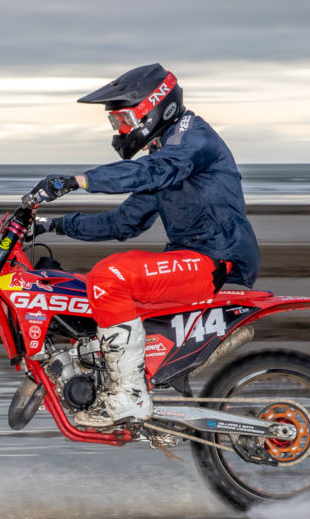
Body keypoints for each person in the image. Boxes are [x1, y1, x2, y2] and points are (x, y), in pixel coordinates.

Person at [27, 64, 260, 428]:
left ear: (152, 107)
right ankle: (108, 380)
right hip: (190, 258)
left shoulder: (190, 139)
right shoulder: (165, 152)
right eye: (114, 124)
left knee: (110, 276)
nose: (119, 131)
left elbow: (151, 170)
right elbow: (124, 222)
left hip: (216, 260)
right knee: (89, 287)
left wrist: (78, 181)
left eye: (122, 121)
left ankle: (129, 396)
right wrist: (52, 225)